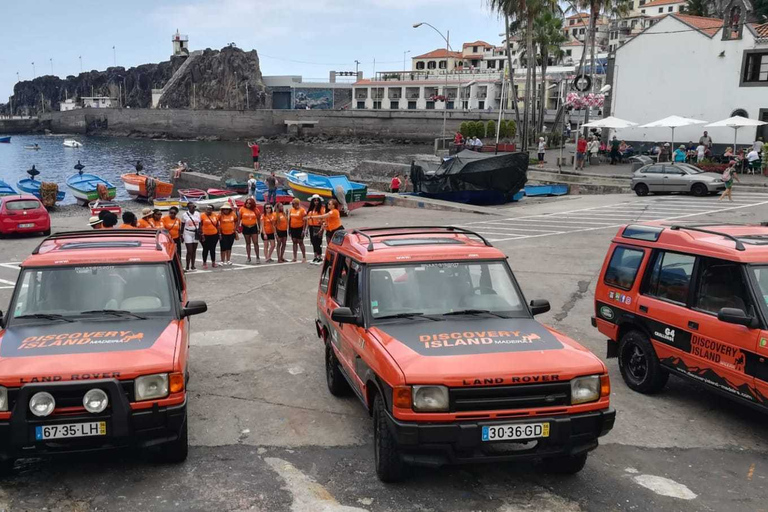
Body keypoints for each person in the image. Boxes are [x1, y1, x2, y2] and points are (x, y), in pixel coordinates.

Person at [239, 197, 261, 263]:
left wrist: (259, 228)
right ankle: (248, 257)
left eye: (250, 203)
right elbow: (239, 219)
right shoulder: (242, 209)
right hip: (245, 227)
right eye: (247, 203)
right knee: (248, 243)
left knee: (255, 242)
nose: (248, 204)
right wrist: (238, 227)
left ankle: (257, 257)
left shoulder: (256, 210)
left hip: (253, 227)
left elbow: (258, 219)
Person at [181, 203, 201, 272]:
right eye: (192, 207)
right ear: (188, 208)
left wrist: (200, 232)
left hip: (195, 232)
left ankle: (193, 265)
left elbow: (200, 223)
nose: (193, 208)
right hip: (187, 233)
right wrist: (181, 234)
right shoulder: (184, 215)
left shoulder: (198, 213)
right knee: (189, 250)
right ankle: (187, 266)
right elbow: (182, 225)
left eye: (194, 207)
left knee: (194, 250)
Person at [306, 195, 326, 264]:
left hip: (318, 227)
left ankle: (319, 257)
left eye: (317, 200)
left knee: (318, 242)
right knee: (313, 241)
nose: (316, 202)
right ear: (312, 201)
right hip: (311, 227)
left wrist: (322, 227)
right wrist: (306, 228)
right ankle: (315, 256)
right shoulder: (311, 209)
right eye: (315, 200)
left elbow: (324, 218)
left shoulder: (321, 208)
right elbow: (308, 219)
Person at [288, 198, 308, 263]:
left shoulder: (302, 210)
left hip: (300, 228)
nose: (292, 205)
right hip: (293, 228)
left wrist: (304, 230)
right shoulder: (291, 210)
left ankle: (304, 257)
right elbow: (290, 219)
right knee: (294, 242)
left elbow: (305, 221)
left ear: (297, 203)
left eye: (293, 204)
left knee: (300, 242)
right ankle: (295, 257)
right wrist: (289, 229)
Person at [200, 204, 219, 269]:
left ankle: (213, 262)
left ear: (212, 210)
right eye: (207, 209)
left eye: (210, 209)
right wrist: (201, 234)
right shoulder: (202, 216)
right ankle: (204, 262)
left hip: (214, 234)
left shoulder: (215, 215)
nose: (208, 210)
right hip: (205, 235)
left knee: (213, 249)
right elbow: (200, 225)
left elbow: (217, 225)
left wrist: (219, 234)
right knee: (205, 249)